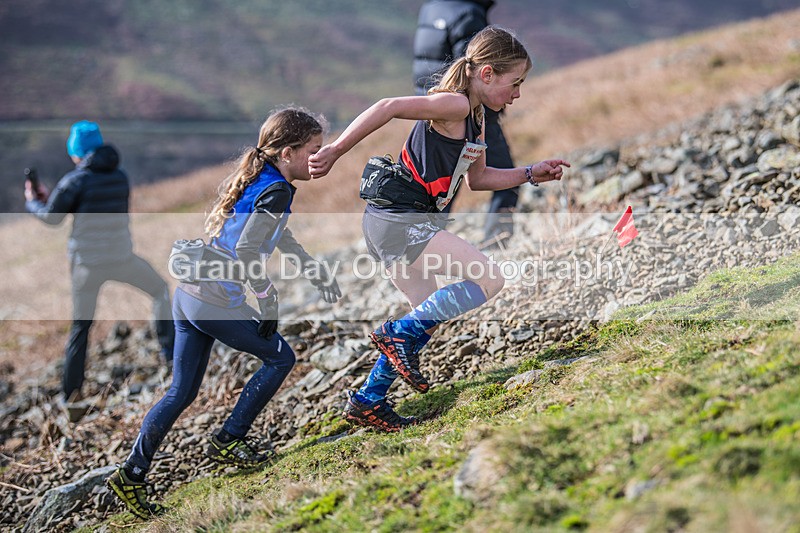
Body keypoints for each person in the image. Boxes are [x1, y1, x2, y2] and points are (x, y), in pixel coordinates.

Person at [309, 26, 569, 432]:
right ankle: (395, 336)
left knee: (424, 314)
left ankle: (368, 400)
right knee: (488, 279)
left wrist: (532, 173)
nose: (517, 93)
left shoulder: (475, 119)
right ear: (486, 74)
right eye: (514, 82)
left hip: (391, 222)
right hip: (402, 219)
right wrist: (336, 150)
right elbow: (388, 105)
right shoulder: (456, 105)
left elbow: (478, 179)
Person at [106, 108, 341, 520]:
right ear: (287, 152)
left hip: (189, 296)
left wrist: (312, 268)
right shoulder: (278, 190)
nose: (317, 159)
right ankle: (229, 439)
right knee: (281, 357)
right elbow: (251, 249)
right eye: (313, 151)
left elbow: (275, 233)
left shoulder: (263, 178)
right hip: (214, 300)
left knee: (181, 392)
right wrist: (268, 300)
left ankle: (131, 475)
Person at [24, 121, 174, 414]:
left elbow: (52, 218)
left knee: (81, 327)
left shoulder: (74, 181)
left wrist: (33, 202)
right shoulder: (120, 176)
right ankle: (171, 357)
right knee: (160, 290)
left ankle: (70, 395)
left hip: (87, 266)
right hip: (121, 258)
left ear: (76, 152)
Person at [413, 0, 519, 243]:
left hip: (433, 110)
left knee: (442, 185)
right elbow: (478, 71)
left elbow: (424, 64)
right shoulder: (468, 14)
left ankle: (423, 245)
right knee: (506, 177)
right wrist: (487, 115)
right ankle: (497, 243)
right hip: (468, 112)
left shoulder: (432, 7)